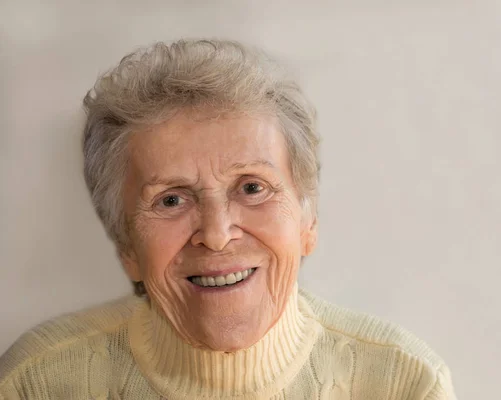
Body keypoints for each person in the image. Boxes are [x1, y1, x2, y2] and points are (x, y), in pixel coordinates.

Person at [0, 39, 456, 399]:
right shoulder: (35, 384)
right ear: (126, 248)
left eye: (252, 188)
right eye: (172, 201)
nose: (217, 236)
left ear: (307, 222)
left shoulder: (406, 386)